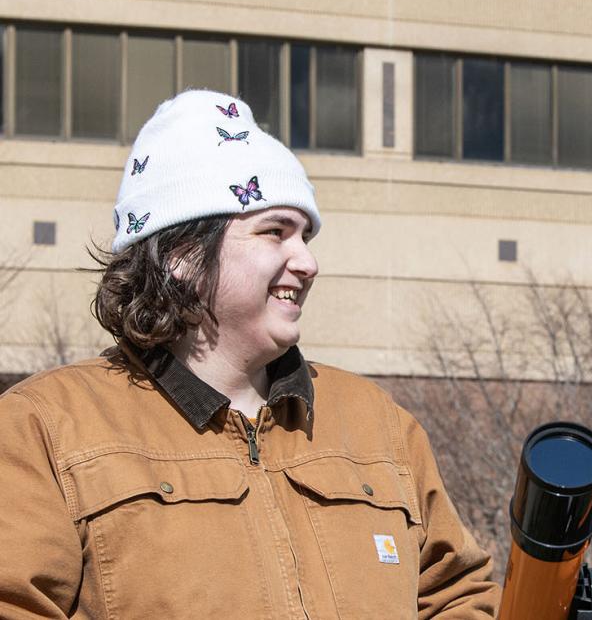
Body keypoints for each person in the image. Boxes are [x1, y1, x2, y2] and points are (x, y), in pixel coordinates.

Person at [0, 90, 500, 618]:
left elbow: (458, 594)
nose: (306, 261)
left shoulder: (379, 425)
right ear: (181, 255)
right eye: (274, 232)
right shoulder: (47, 427)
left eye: (305, 235)